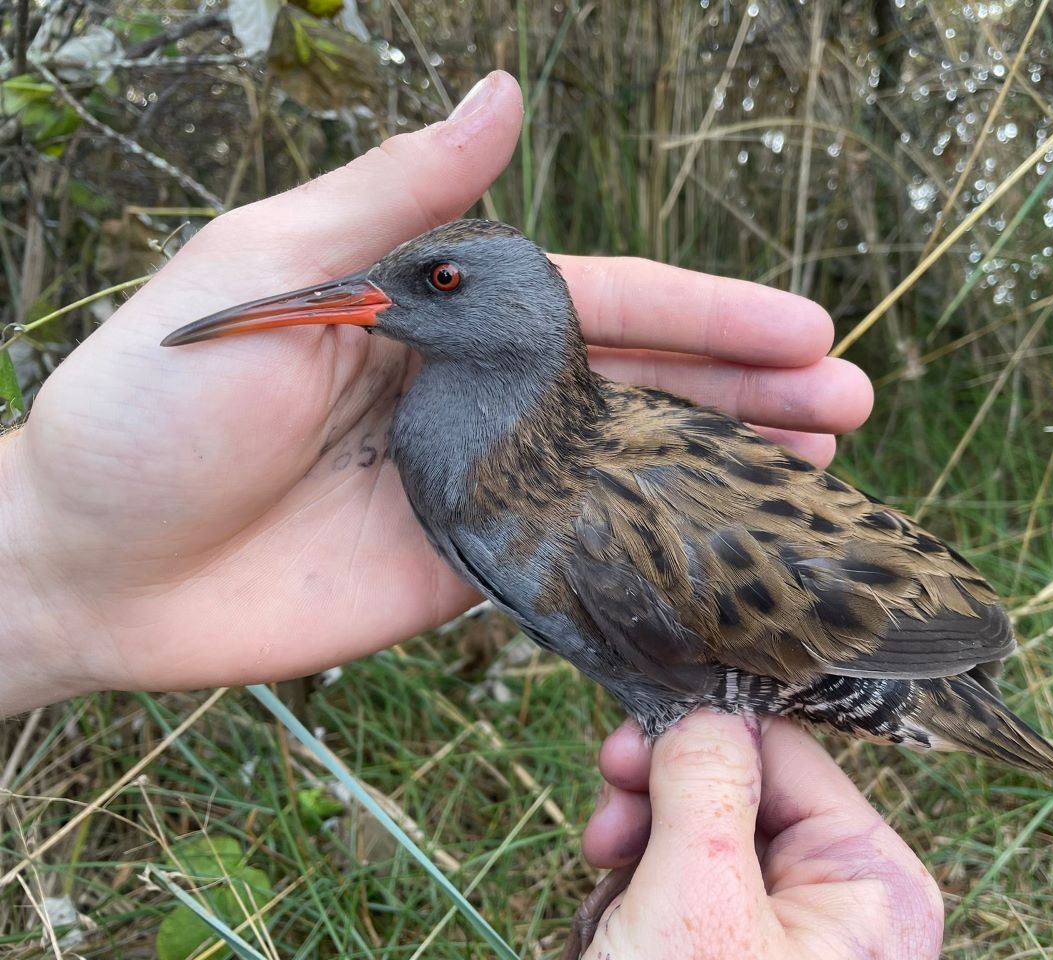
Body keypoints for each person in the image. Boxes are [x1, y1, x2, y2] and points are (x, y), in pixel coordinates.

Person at [0, 71, 942, 958]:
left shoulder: (598, 524)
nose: (378, 300)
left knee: (687, 756)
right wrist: (43, 540)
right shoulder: (491, 454)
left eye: (439, 282)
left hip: (877, 650)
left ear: (518, 318)